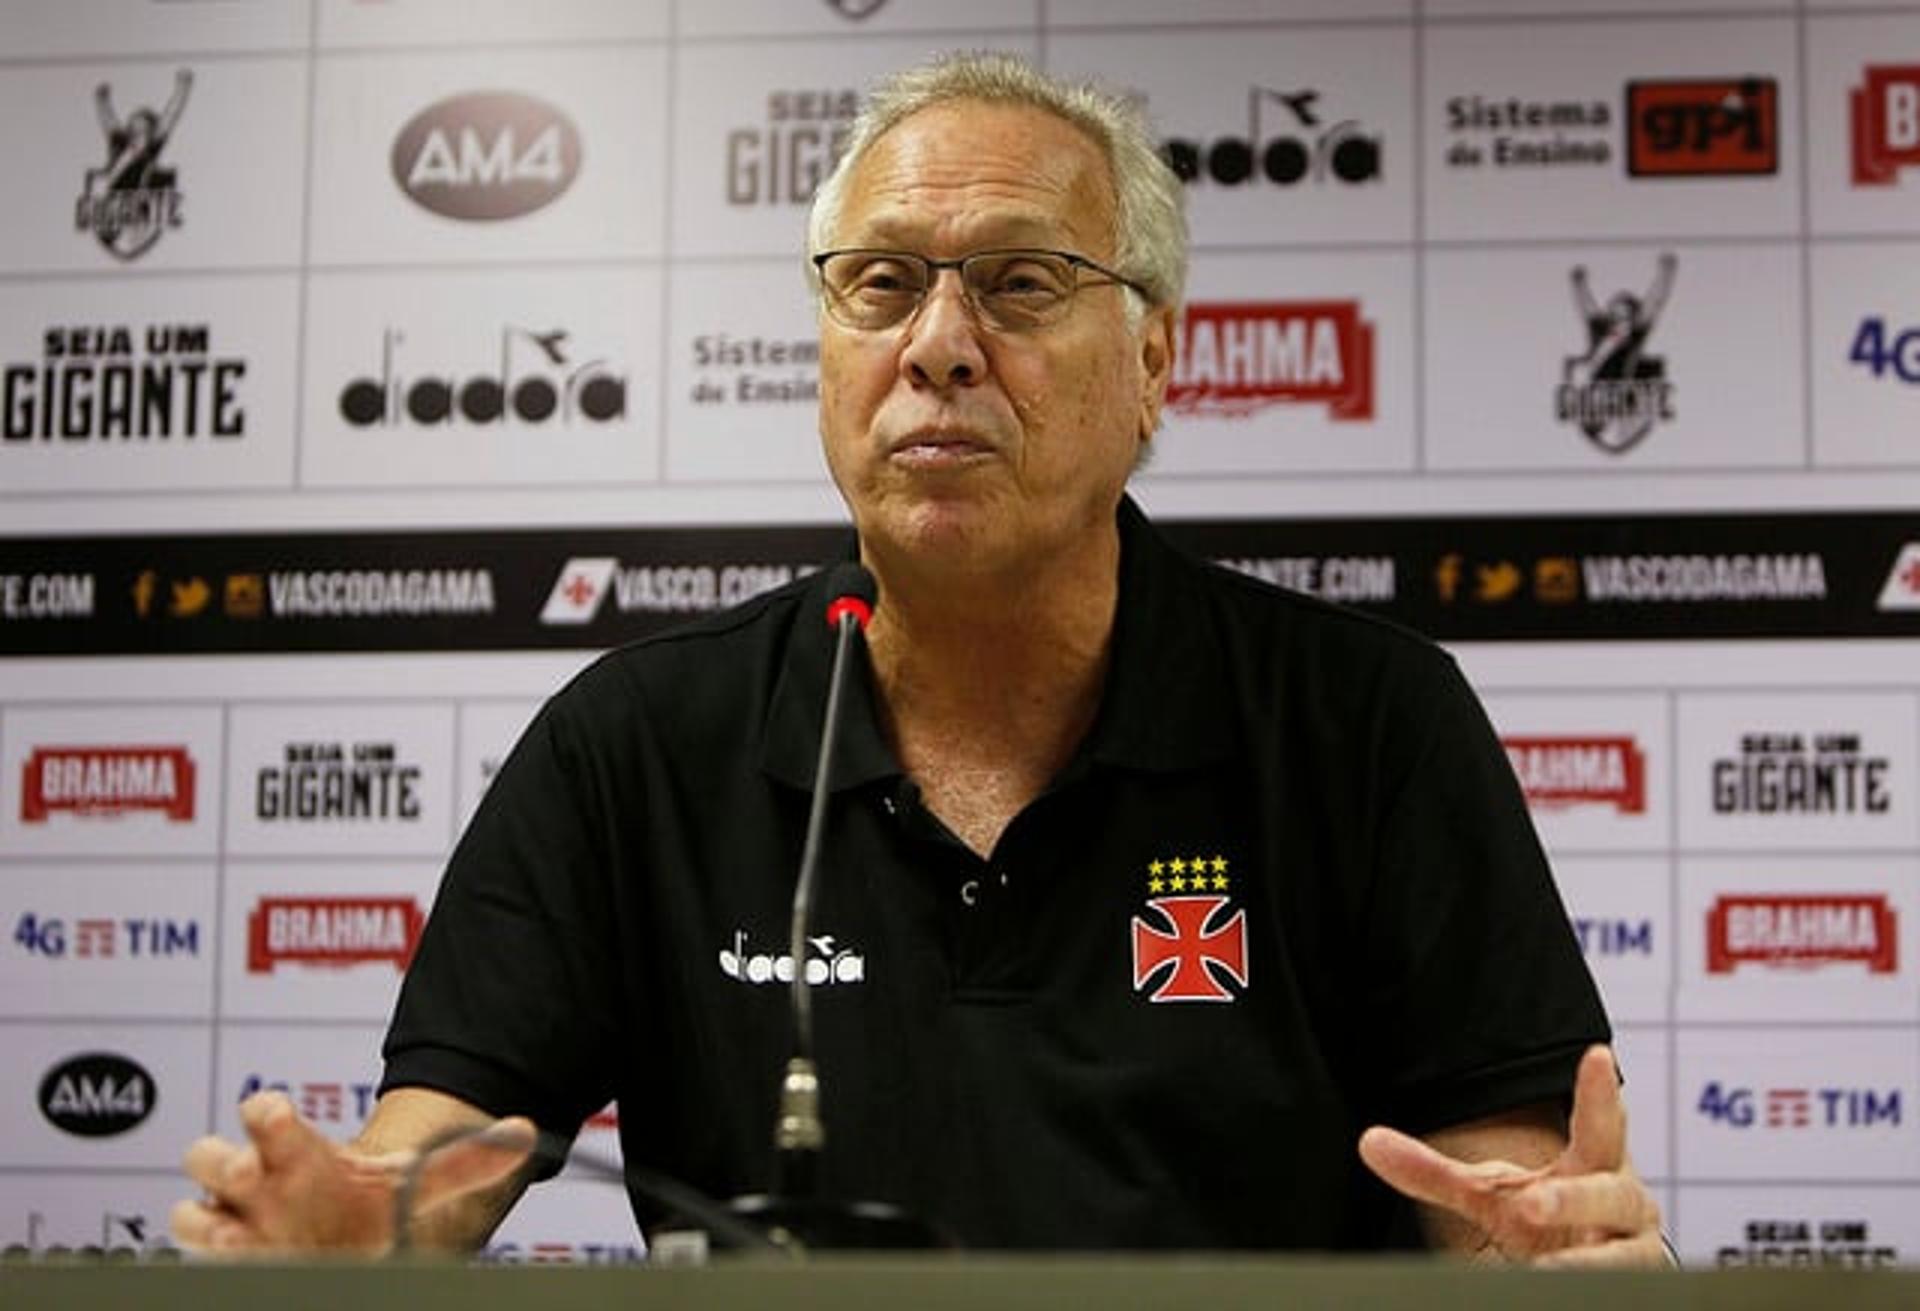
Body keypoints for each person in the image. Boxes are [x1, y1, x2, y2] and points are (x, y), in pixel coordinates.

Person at [173, 52, 1666, 1264]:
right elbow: (447, 1148)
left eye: (1021, 282)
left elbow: (1503, 1200)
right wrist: (368, 1223)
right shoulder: (634, 743)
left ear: (1154, 364)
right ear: (827, 346)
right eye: (880, 283)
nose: (939, 343)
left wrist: (1557, 1264)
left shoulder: (1368, 726)